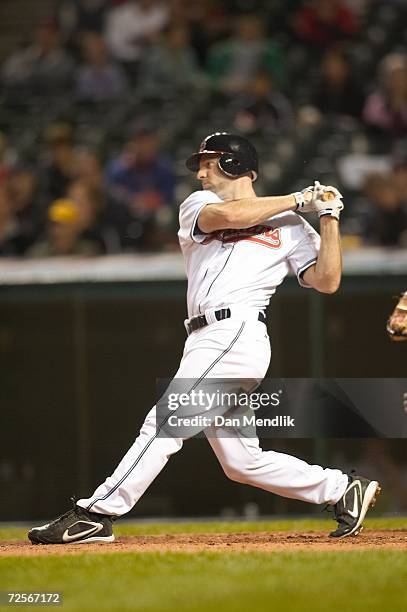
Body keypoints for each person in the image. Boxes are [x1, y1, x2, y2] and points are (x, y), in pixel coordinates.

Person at [28, 133, 380, 545]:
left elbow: (327, 280)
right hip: (203, 337)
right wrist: (299, 198)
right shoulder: (198, 204)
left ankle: (97, 513)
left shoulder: (291, 226)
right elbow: (229, 218)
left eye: (209, 163)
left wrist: (330, 216)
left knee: (163, 423)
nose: (200, 172)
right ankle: (341, 489)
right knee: (242, 462)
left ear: (234, 164)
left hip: (235, 334)